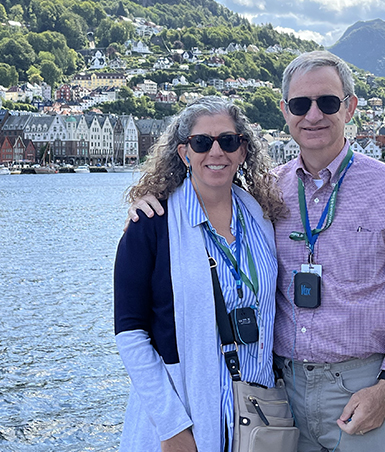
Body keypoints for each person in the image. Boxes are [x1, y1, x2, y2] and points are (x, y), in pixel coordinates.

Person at [129, 51, 385, 452]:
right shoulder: (265, 194)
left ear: (350, 107)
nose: (313, 115)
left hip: (364, 385)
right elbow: (207, 192)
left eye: (327, 102)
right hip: (281, 392)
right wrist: (150, 202)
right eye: (300, 104)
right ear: (284, 111)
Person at [114, 96, 285, 452]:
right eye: (201, 143)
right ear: (183, 153)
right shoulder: (151, 224)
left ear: (242, 151)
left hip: (256, 415)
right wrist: (171, 426)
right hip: (185, 416)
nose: (216, 152)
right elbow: (130, 334)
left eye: (228, 141)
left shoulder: (261, 218)